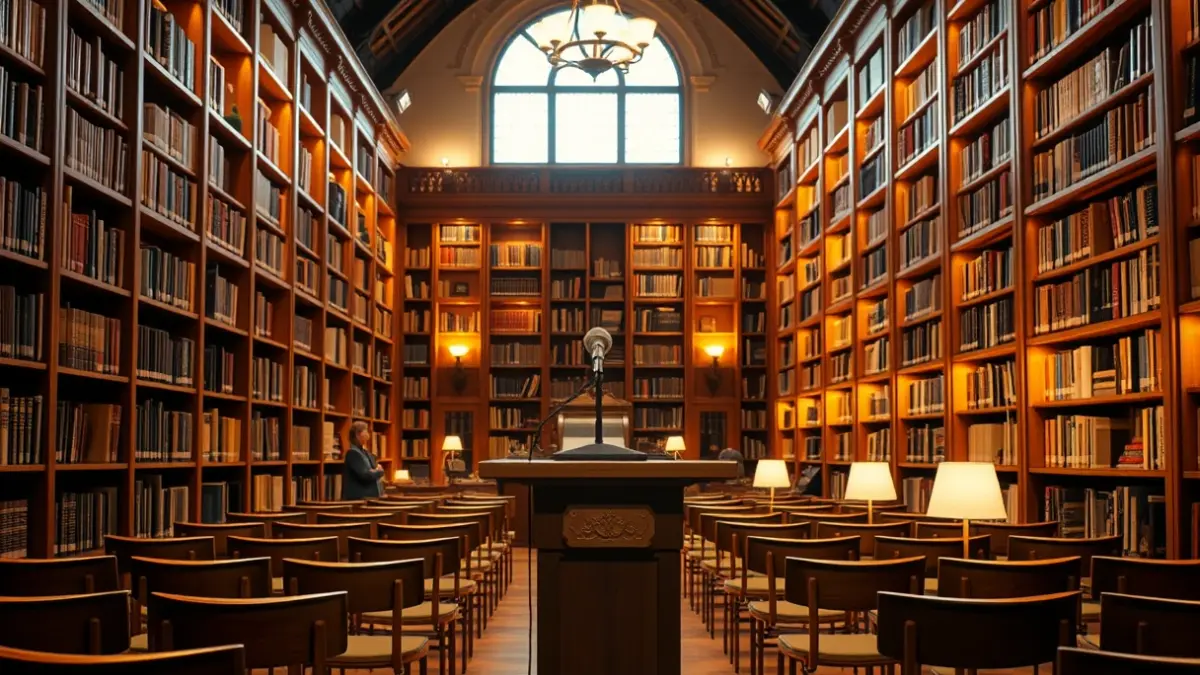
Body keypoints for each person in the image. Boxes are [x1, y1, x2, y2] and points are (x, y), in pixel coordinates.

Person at [342, 421, 385, 499]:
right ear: (358, 434)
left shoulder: (365, 452)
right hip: (360, 500)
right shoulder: (352, 454)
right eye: (365, 431)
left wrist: (375, 471)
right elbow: (365, 475)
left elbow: (374, 467)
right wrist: (379, 472)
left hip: (371, 499)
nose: (368, 435)